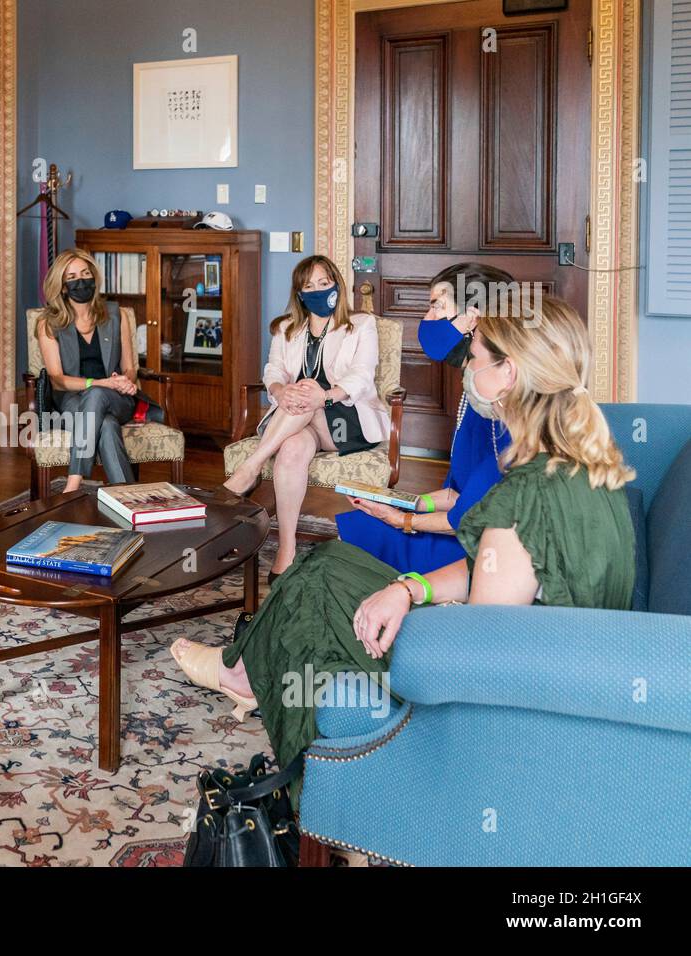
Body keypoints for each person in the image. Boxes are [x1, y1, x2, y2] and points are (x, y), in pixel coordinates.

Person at [171, 296, 635, 808]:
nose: (467, 371)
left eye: (475, 358)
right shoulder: (587, 462)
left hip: (503, 682)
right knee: (326, 563)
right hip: (545, 649)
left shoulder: (526, 492)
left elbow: (481, 651)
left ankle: (321, 798)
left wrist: (421, 607)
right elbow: (500, 566)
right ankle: (247, 675)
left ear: (509, 375)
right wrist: (411, 586)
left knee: (318, 587)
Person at [336, 263, 515, 573]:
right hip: (459, 523)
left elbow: (467, 518)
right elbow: (454, 493)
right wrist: (401, 503)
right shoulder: (476, 395)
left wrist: (402, 520)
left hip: (478, 549)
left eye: (437, 306)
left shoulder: (502, 411)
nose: (428, 319)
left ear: (472, 318)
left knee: (353, 545)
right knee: (362, 521)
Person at [222, 255, 389, 579]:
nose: (317, 290)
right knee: (293, 447)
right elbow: (273, 370)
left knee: (310, 392)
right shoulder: (286, 328)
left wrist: (323, 395)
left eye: (324, 283)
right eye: (309, 286)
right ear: (299, 293)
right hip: (298, 421)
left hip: (344, 418)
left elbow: (362, 375)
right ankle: (287, 548)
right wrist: (280, 390)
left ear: (337, 285)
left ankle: (251, 466)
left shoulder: (361, 325)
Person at [36, 248, 164, 494]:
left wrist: (125, 381)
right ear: (62, 286)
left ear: (94, 277)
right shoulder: (48, 322)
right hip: (72, 400)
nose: (81, 280)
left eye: (85, 273)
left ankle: (73, 482)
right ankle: (127, 495)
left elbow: (129, 366)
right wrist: (100, 382)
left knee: (98, 397)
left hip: (117, 398)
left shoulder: (116, 314)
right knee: (105, 424)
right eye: (72, 277)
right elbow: (58, 380)